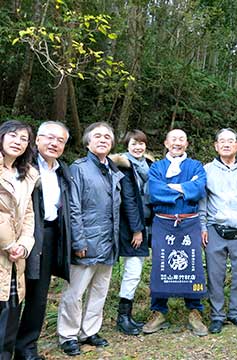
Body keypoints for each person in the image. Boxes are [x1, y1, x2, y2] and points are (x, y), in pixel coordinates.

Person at [57, 122, 143, 356]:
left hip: (109, 242)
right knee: (75, 292)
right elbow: (73, 207)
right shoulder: (79, 168)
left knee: (99, 290)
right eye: (97, 136)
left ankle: (90, 331)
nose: (103, 139)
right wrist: (78, 241)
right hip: (86, 241)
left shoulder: (114, 169)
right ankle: (68, 335)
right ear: (87, 142)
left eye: (107, 136)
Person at [142, 129, 208, 337]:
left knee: (193, 265)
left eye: (181, 139)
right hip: (163, 222)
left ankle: (195, 310)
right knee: (161, 265)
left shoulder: (196, 166)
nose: (177, 143)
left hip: (189, 223)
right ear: (166, 143)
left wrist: (170, 187)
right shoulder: (157, 167)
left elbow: (199, 189)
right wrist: (183, 189)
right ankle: (158, 310)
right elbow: (155, 192)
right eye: (173, 139)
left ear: (187, 144)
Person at [15, 121, 71, 360]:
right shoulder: (23, 165)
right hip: (19, 236)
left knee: (38, 295)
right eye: (49, 137)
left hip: (49, 235)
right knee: (12, 293)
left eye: (60, 140)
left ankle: (26, 348)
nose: (54, 143)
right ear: (36, 140)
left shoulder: (62, 170)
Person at [199, 128, 237, 334]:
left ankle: (236, 313)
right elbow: (203, 201)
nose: (226, 144)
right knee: (214, 274)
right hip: (215, 228)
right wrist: (202, 226)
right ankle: (217, 315)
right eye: (222, 141)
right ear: (216, 146)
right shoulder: (207, 169)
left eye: (230, 141)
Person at [0, 120, 39, 360]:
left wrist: (24, 245)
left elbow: (28, 214)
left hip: (15, 258)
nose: (18, 141)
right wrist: (7, 244)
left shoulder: (27, 175)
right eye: (12, 136)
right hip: (4, 249)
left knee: (10, 314)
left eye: (24, 139)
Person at [110, 130, 153, 336]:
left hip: (145, 224)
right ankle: (123, 317)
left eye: (142, 144)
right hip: (129, 227)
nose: (138, 147)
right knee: (132, 272)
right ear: (127, 145)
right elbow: (128, 200)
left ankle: (127, 315)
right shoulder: (122, 167)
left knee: (134, 272)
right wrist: (137, 230)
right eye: (134, 144)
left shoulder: (148, 166)